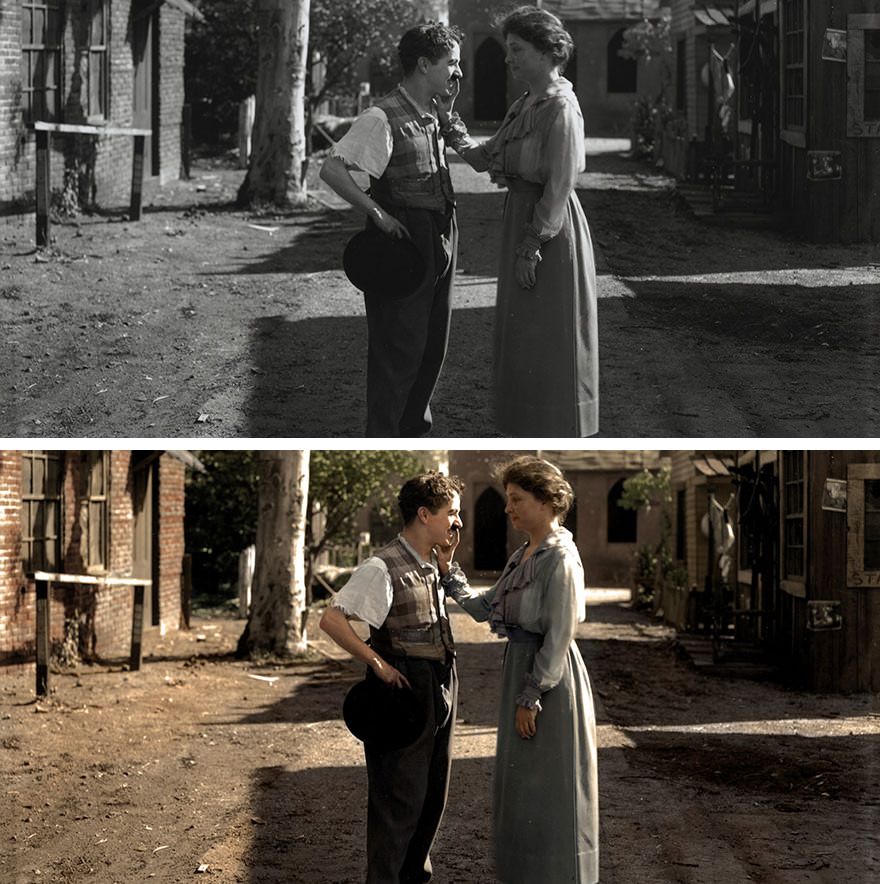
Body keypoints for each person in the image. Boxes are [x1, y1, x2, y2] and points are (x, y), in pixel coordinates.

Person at [436, 456, 599, 883]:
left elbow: (560, 635)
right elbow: (487, 606)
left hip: (549, 681)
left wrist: (532, 694)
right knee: (523, 790)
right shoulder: (524, 553)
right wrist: (448, 569)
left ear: (546, 501)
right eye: (507, 499)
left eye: (517, 499)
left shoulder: (560, 558)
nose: (508, 508)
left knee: (550, 788)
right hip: (521, 671)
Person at [437, 6, 599, 436]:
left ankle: (558, 425)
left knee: (548, 330)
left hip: (550, 228)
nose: (508, 59)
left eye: (517, 50)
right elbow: (486, 158)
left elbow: (560, 186)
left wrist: (532, 245)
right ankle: (527, 422)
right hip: (520, 217)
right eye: (508, 50)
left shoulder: (560, 107)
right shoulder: (526, 102)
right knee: (524, 330)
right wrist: (449, 118)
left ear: (548, 52)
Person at [319, 472, 465, 884]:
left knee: (432, 796)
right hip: (405, 691)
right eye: (451, 513)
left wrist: (446, 565)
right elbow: (332, 620)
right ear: (424, 514)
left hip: (442, 680)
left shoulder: (433, 562)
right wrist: (378, 664)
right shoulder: (382, 566)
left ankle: (413, 877)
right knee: (398, 800)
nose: (457, 523)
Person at [319, 24, 464, 438]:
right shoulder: (381, 116)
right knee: (398, 347)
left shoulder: (433, 110)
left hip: (441, 229)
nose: (457, 72)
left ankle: (412, 427)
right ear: (423, 64)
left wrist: (447, 111)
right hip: (404, 240)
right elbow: (332, 169)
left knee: (433, 343)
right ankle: (384, 433)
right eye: (450, 63)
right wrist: (378, 214)